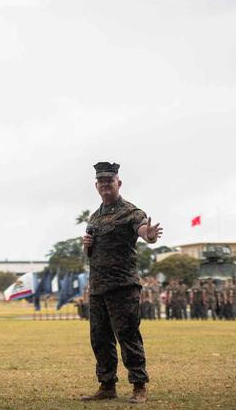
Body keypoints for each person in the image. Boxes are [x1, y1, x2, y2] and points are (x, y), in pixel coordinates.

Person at [80, 162, 162, 404]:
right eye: (101, 182)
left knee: (128, 336)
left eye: (110, 181)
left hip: (122, 287)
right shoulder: (94, 217)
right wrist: (86, 246)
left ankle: (139, 386)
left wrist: (149, 234)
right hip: (98, 288)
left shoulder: (130, 211)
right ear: (96, 186)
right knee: (100, 339)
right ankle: (107, 386)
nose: (106, 185)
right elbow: (92, 254)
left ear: (119, 183)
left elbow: (143, 230)